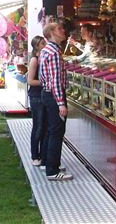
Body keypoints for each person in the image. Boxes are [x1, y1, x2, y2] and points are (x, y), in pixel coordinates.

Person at [39, 22, 73, 181]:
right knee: (56, 132)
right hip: (54, 96)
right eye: (60, 28)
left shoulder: (47, 51)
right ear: (52, 32)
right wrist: (61, 103)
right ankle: (53, 170)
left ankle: (47, 162)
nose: (63, 30)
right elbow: (56, 81)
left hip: (46, 94)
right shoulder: (54, 53)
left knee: (50, 130)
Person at [28, 36, 47, 166]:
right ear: (36, 46)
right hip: (36, 96)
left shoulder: (43, 59)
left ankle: (43, 154)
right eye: (42, 43)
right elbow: (30, 80)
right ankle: (35, 155)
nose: (45, 44)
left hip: (43, 95)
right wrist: (45, 83)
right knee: (38, 126)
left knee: (44, 126)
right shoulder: (34, 60)